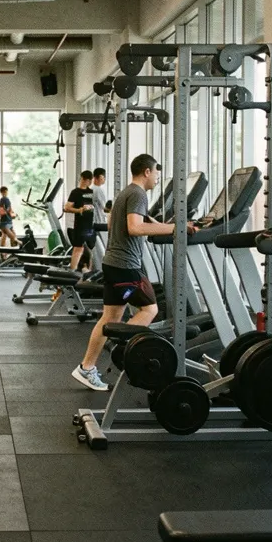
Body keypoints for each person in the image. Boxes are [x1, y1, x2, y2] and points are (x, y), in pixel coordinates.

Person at [72, 153, 197, 392]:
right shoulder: (138, 194)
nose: (157, 178)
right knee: (150, 309)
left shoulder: (126, 193)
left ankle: (86, 367)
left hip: (114, 263)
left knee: (110, 318)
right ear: (147, 172)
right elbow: (135, 227)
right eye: (156, 173)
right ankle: (125, 351)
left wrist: (166, 226)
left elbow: (117, 224)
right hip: (125, 267)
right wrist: (176, 227)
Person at [64, 170, 96, 270]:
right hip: (80, 224)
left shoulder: (92, 192)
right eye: (83, 180)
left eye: (88, 180)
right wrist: (79, 210)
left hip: (90, 224)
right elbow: (67, 208)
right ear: (82, 179)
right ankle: (72, 270)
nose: (86, 182)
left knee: (92, 249)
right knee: (78, 248)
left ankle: (89, 271)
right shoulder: (75, 192)